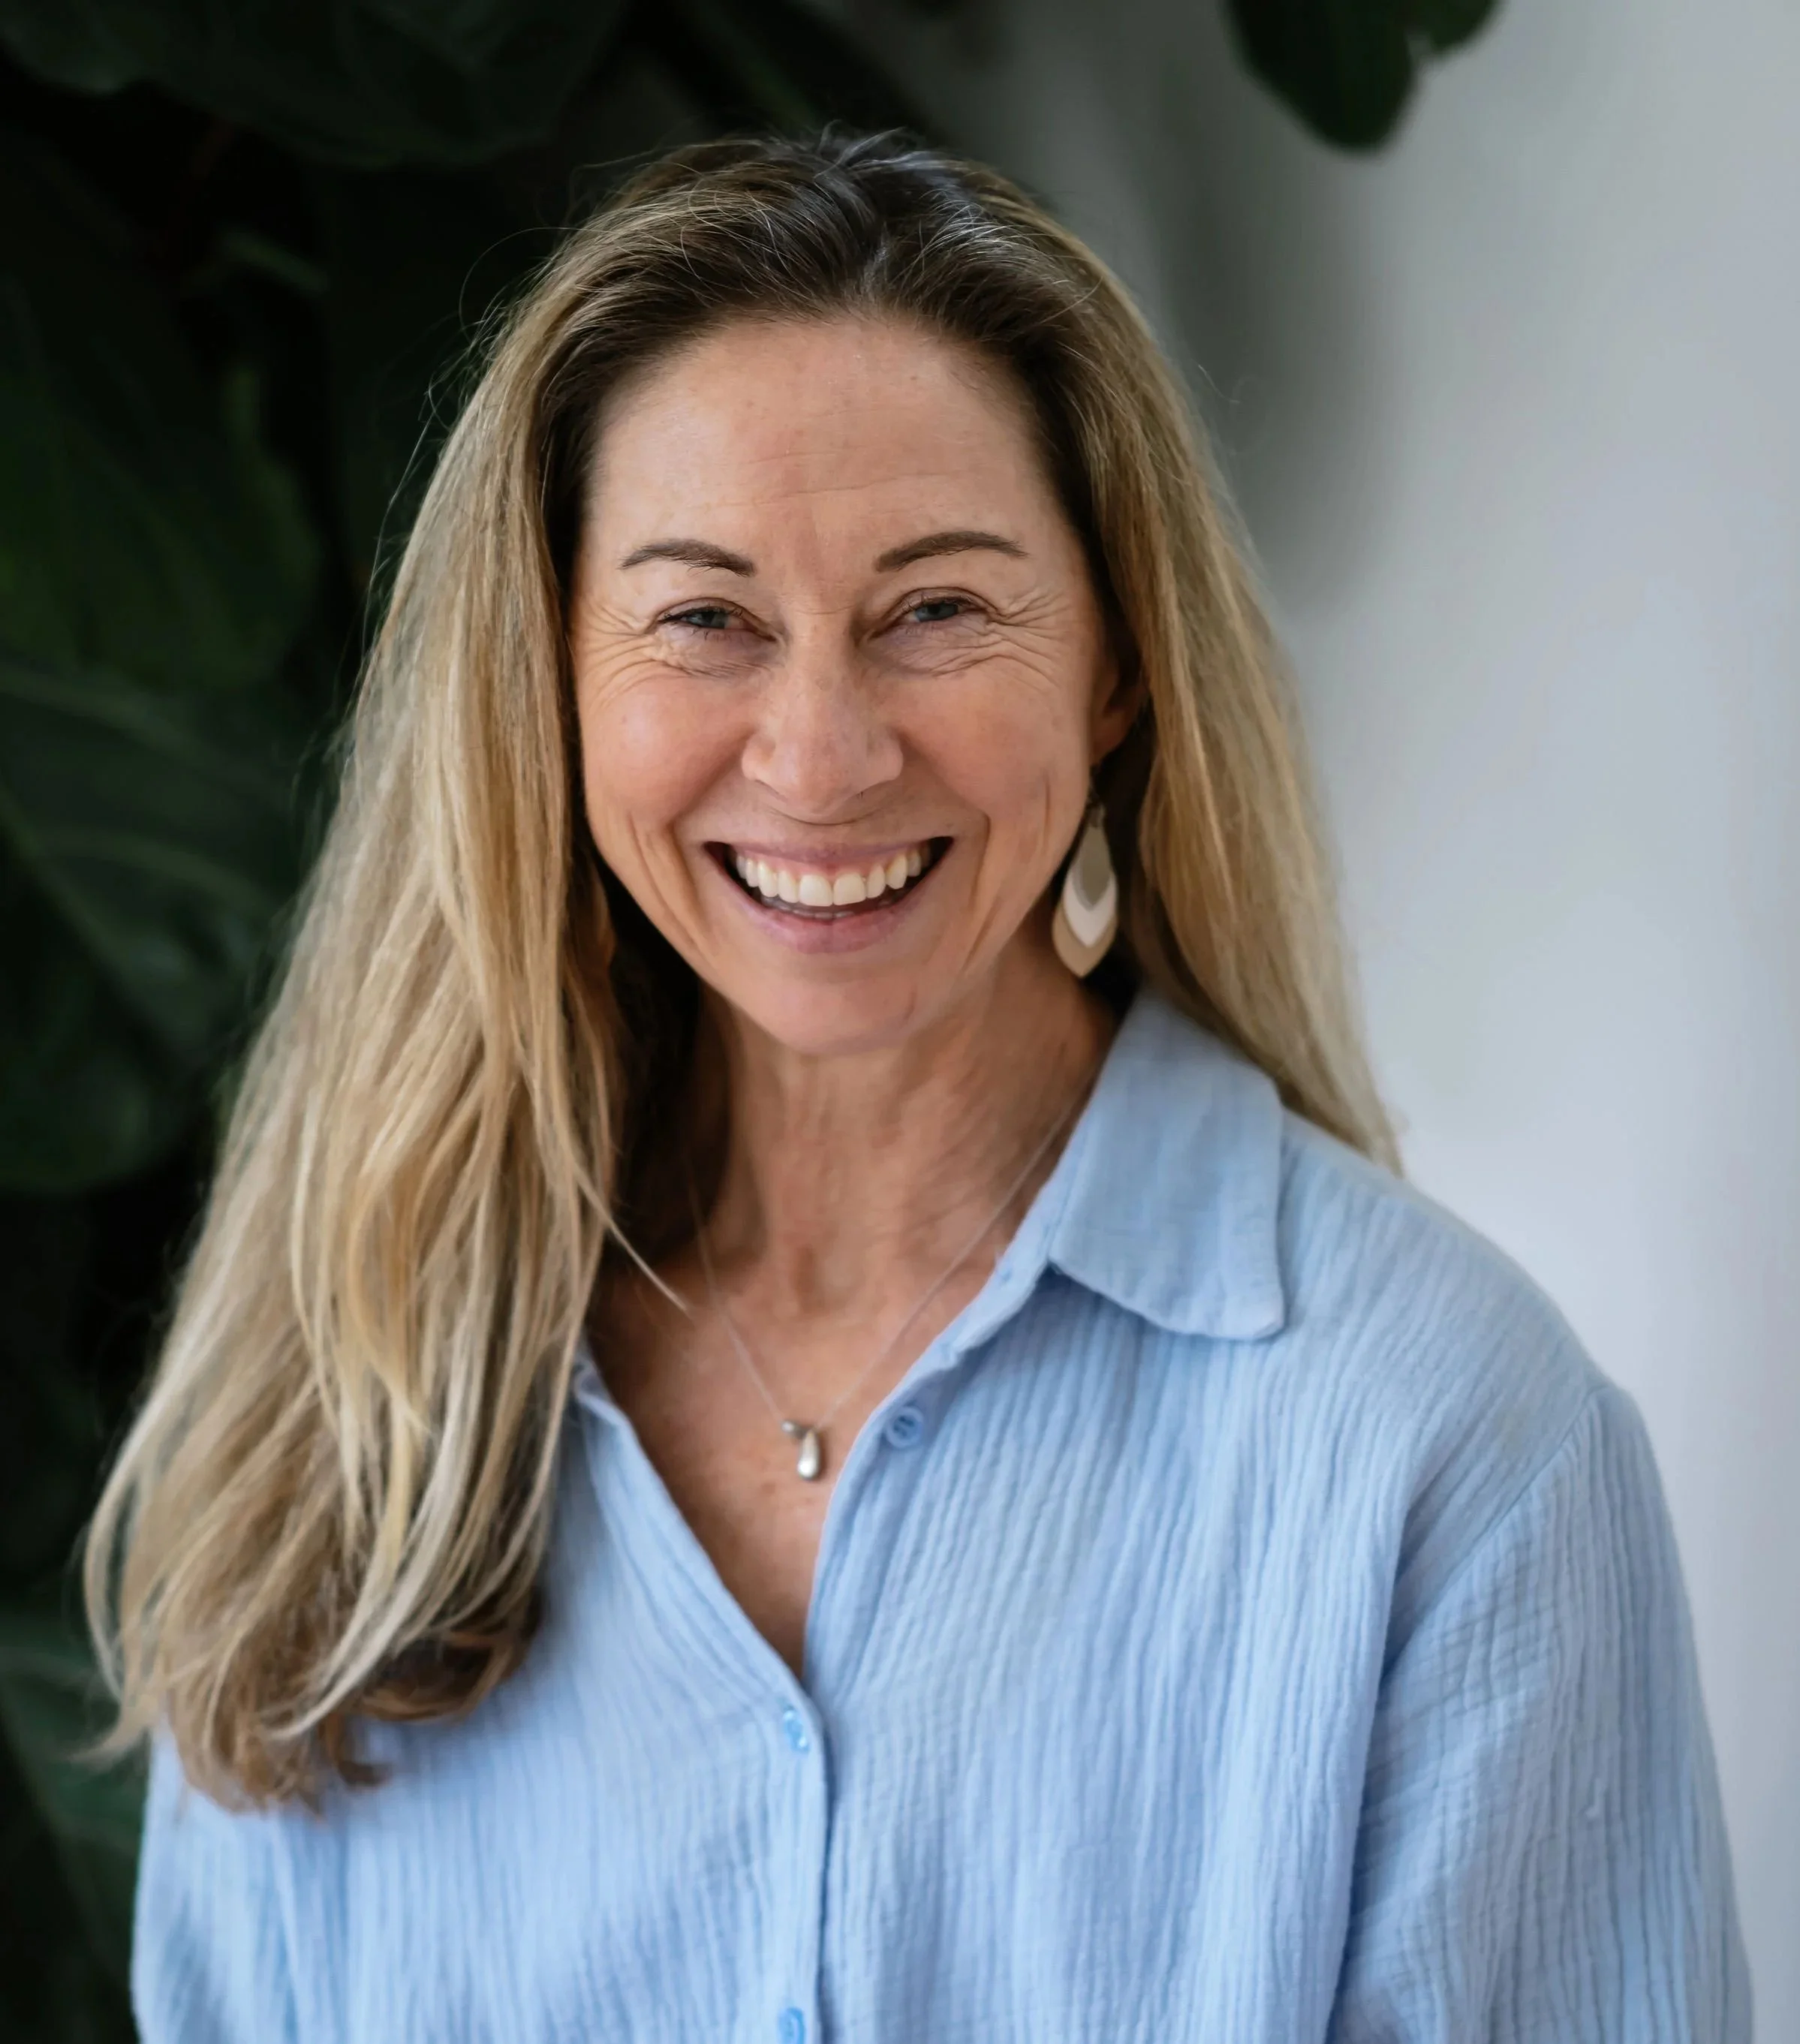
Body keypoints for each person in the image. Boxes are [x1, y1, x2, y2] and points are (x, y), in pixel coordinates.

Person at [91, 131, 1748, 2041]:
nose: (817, 756)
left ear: (1117, 667)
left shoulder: (1446, 1446)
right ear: (547, 677)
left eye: (938, 610)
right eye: (704, 617)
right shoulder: (352, 1410)